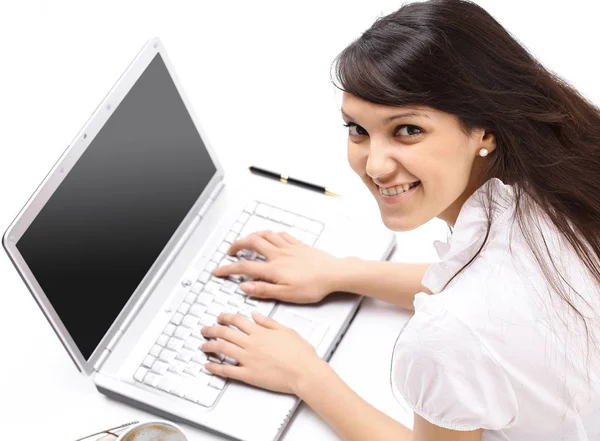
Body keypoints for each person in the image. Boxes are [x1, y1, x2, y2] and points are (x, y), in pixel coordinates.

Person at [199, 0, 600, 439]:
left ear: (484, 128)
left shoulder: (446, 340)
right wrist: (343, 271)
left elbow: (474, 316)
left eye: (407, 130)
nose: (374, 166)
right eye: (358, 129)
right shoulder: (566, 186)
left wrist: (303, 374)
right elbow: (497, 291)